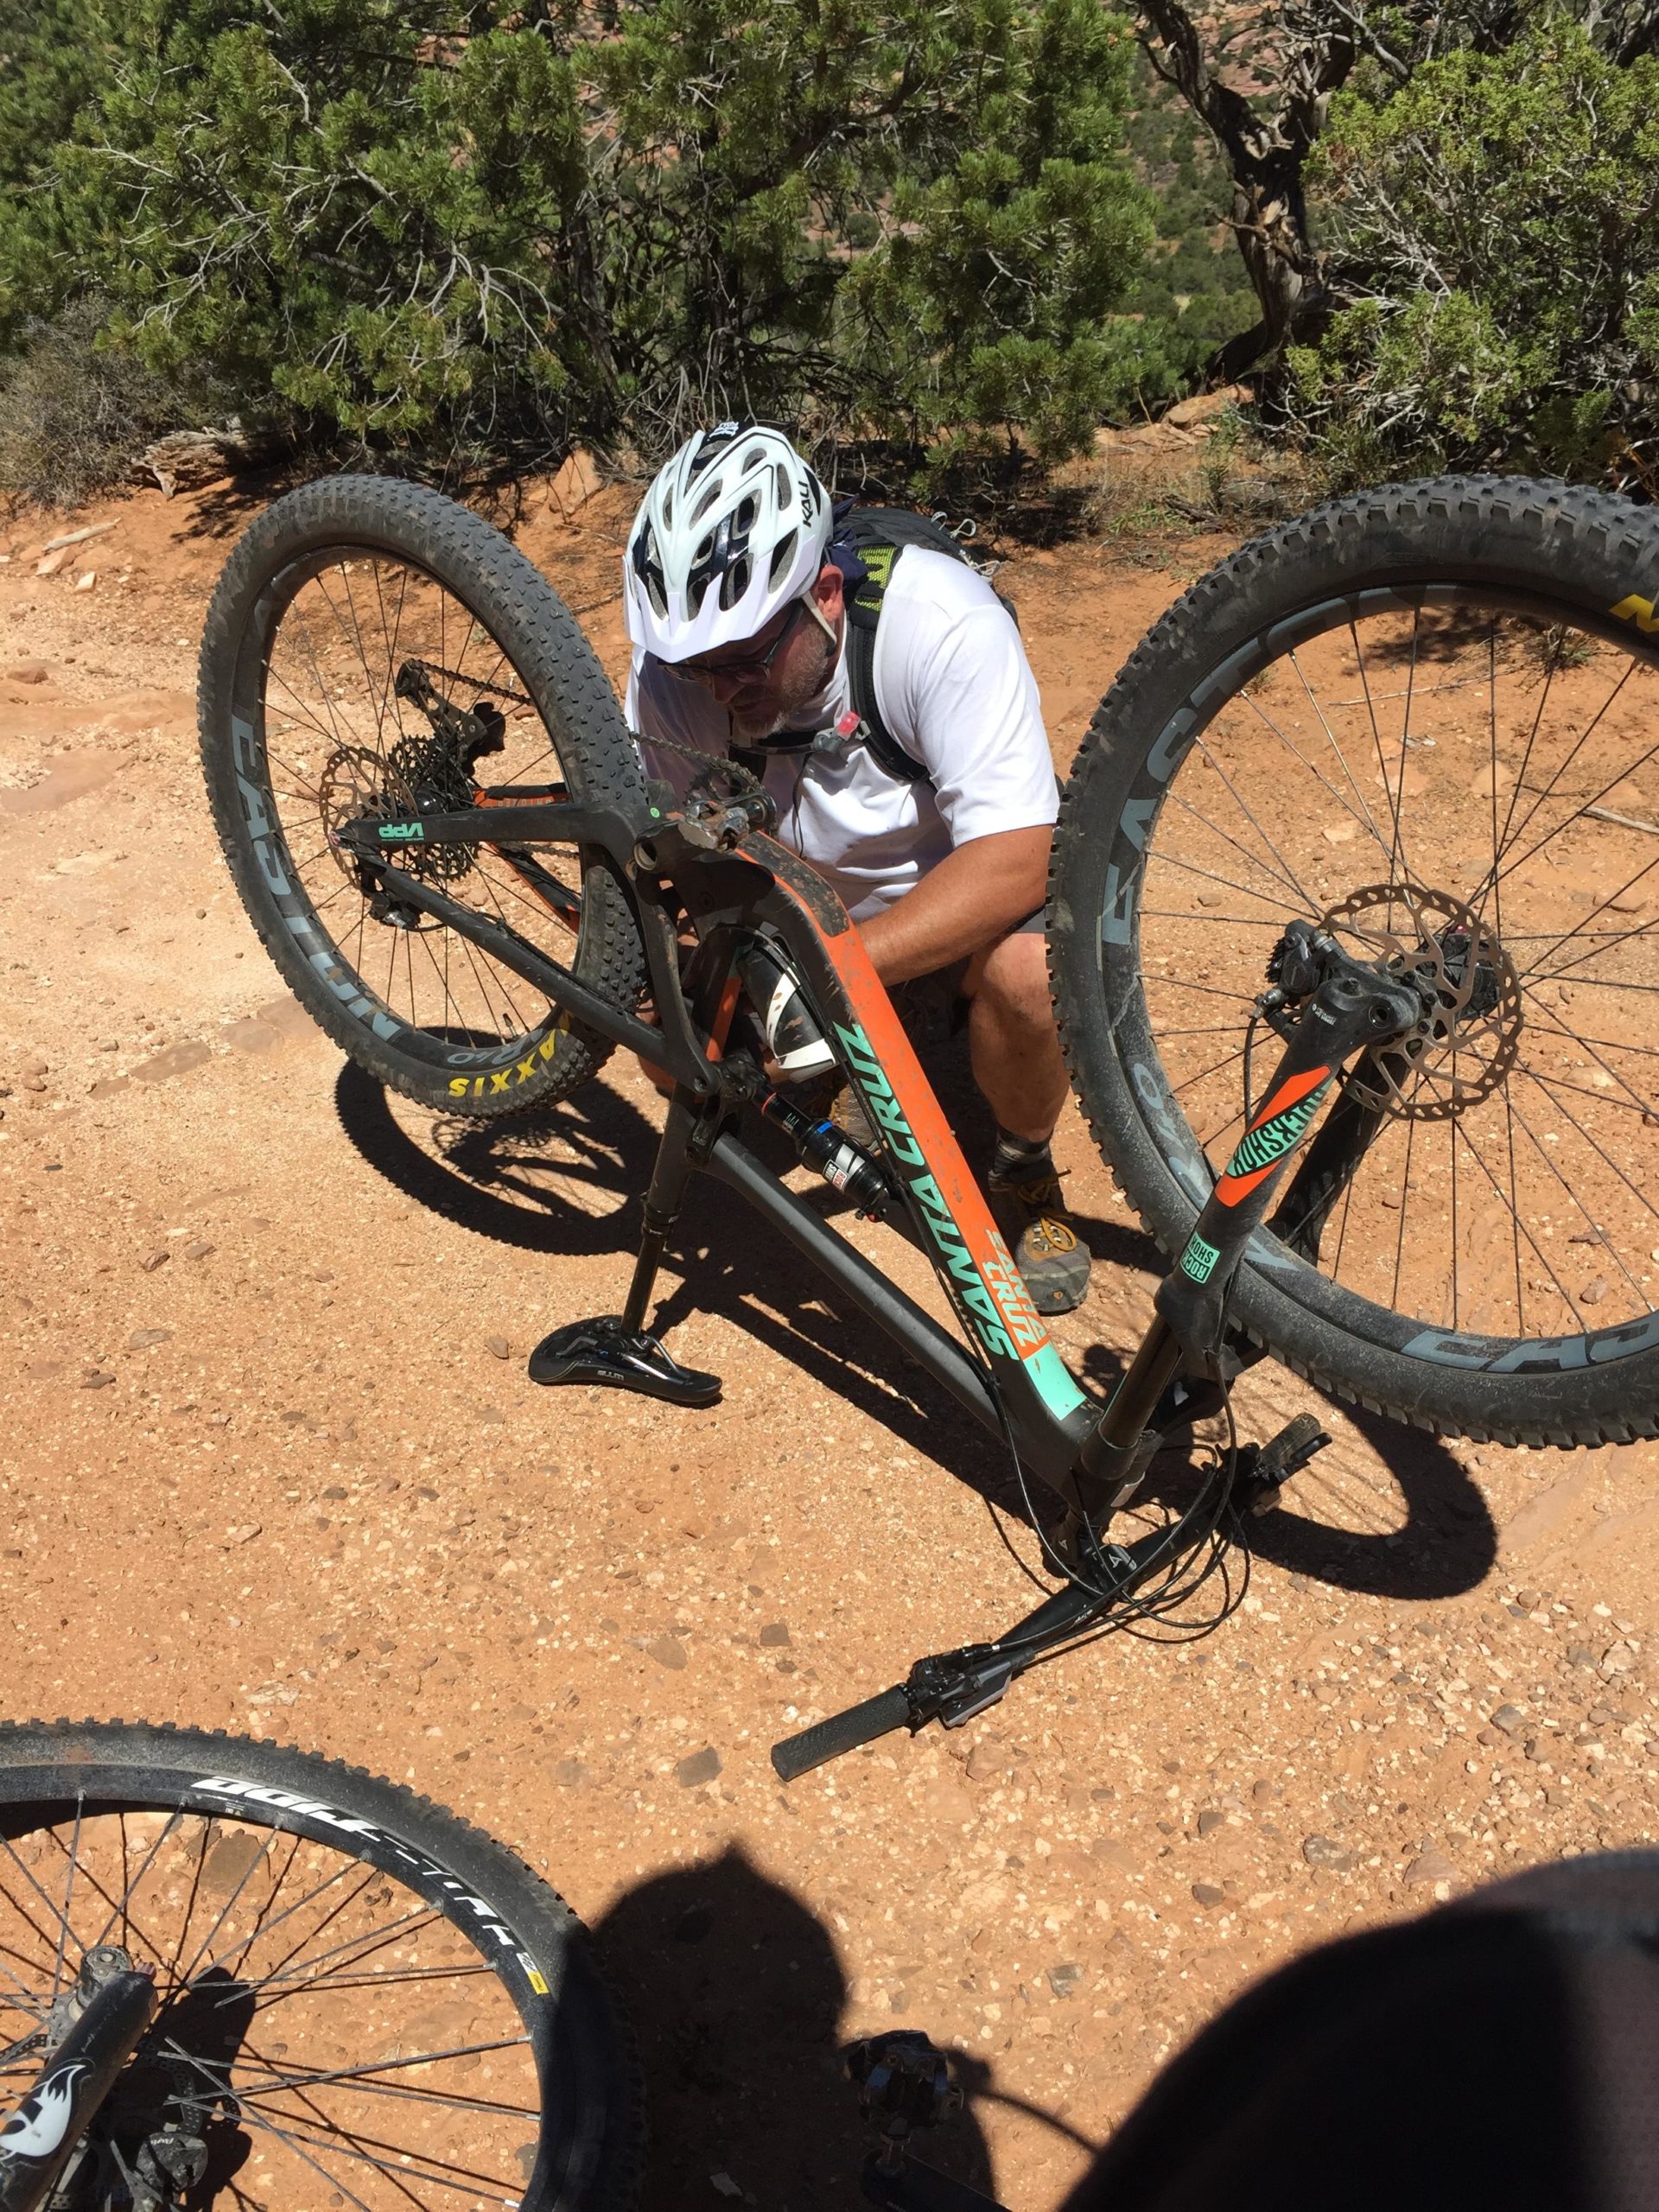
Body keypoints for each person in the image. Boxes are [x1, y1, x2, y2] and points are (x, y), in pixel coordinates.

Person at [622, 420, 1090, 1316]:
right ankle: (837, 1070)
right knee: (667, 1032)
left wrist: (834, 970)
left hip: (954, 912)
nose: (721, 688)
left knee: (1036, 978)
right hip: (803, 906)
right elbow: (692, 849)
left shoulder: (939, 621)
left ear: (825, 594)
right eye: (697, 666)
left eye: (747, 659)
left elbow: (1021, 858)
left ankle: (1024, 1165)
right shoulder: (678, 676)